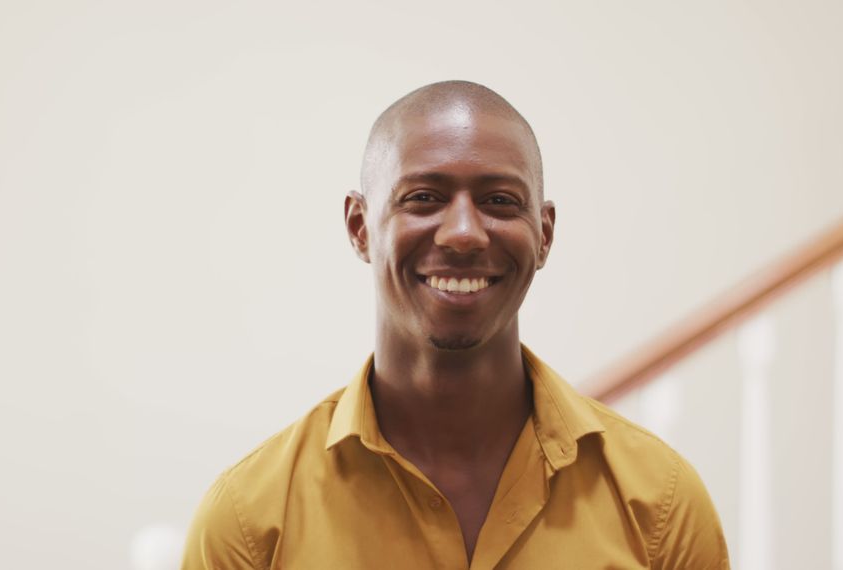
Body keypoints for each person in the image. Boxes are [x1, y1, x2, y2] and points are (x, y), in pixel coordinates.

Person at [182, 80, 729, 569]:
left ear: (544, 234)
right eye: (424, 198)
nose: (463, 233)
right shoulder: (250, 523)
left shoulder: (660, 506)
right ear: (359, 226)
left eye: (498, 200)